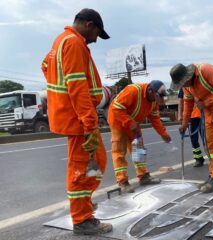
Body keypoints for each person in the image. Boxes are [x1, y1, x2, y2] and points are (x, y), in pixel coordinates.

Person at [41, 9, 112, 234]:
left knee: (95, 161)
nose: (96, 40)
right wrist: (89, 122)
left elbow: (45, 66)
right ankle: (82, 219)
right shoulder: (74, 44)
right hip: (78, 119)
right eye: (97, 34)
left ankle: (84, 207)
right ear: (90, 25)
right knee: (83, 169)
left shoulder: (60, 41)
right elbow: (77, 86)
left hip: (72, 115)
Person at [170, 63, 213, 193]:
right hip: (208, 112)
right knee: (210, 146)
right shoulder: (187, 87)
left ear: (188, 77)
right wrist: (184, 123)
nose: (183, 87)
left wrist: (205, 103)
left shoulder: (206, 70)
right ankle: (212, 176)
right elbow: (188, 104)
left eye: (183, 83)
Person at [107, 80, 172, 193]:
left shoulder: (153, 101)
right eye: (158, 97)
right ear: (151, 91)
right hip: (118, 122)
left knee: (139, 149)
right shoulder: (133, 91)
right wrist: (129, 122)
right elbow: (116, 108)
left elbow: (155, 119)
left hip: (133, 125)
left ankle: (143, 176)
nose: (159, 101)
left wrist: (163, 134)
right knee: (119, 152)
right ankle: (122, 181)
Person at [178, 88, 205, 167]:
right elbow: (180, 101)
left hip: (203, 115)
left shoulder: (198, 83)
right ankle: (198, 159)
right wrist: (180, 116)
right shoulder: (183, 87)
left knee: (207, 139)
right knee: (193, 139)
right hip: (191, 116)